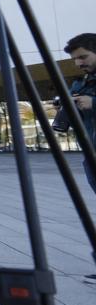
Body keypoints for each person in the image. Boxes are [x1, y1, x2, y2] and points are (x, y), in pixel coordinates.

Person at [63, 33, 96, 193]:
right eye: (75, 59)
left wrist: (93, 103)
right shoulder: (82, 83)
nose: (78, 63)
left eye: (83, 57)